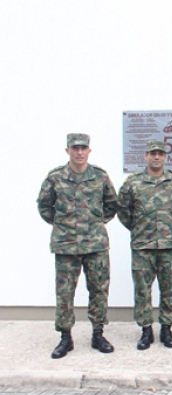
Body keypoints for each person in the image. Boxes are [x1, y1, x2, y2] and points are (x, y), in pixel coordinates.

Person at [37, 133, 117, 359]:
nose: (79, 152)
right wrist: (64, 226)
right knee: (64, 293)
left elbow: (111, 205)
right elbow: (44, 207)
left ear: (89, 151)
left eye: (83, 148)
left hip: (95, 245)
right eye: (75, 148)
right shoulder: (55, 178)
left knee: (99, 290)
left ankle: (98, 334)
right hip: (66, 246)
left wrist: (93, 224)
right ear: (67, 151)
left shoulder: (100, 177)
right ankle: (65, 337)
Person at [117, 139, 172, 350]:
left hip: (168, 245)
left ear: (165, 157)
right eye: (152, 153)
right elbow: (123, 211)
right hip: (142, 246)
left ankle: (166, 328)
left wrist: (166, 228)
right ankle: (146, 330)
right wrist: (138, 228)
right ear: (146, 156)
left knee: (169, 289)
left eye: (160, 154)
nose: (156, 157)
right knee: (142, 290)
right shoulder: (132, 183)